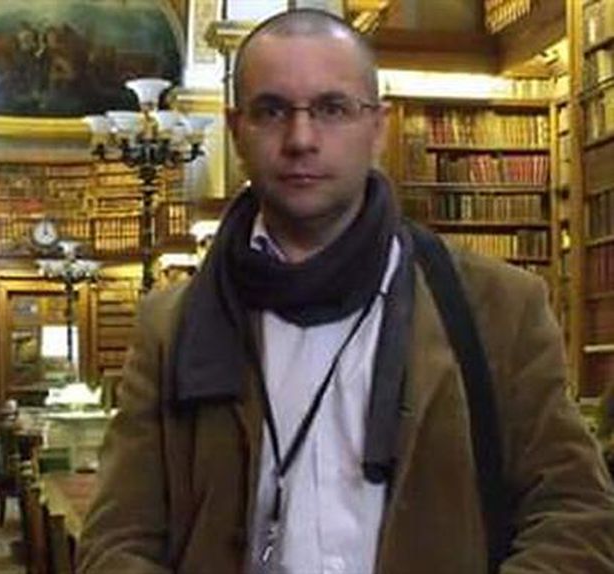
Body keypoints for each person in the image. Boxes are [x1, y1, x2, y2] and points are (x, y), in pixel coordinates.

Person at [76, 8, 614, 574]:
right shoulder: (170, 327)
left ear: (377, 127)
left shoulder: (498, 307)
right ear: (237, 132)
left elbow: (575, 513)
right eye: (271, 110)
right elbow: (116, 542)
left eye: (332, 109)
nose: (301, 139)